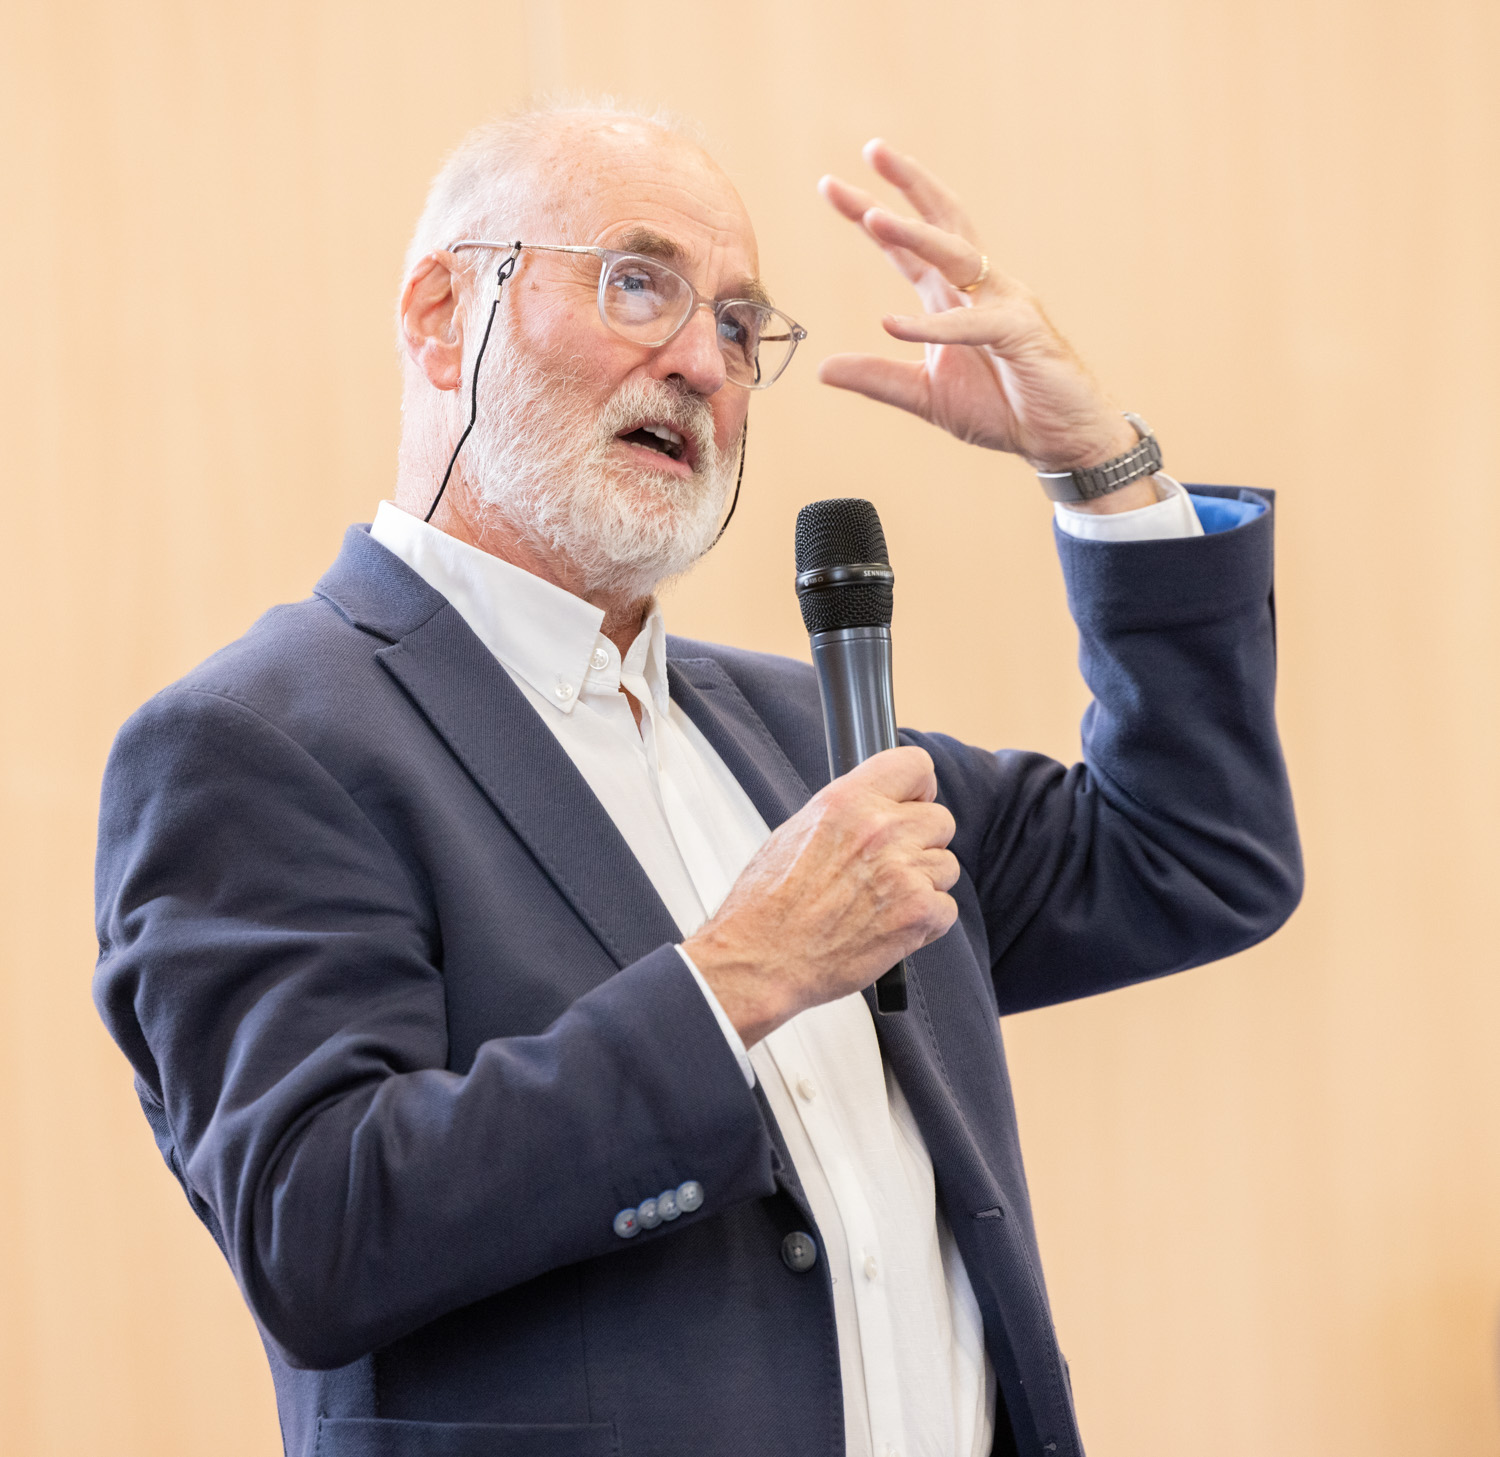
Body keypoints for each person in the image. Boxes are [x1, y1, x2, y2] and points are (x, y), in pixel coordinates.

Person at [93, 102, 1301, 1457]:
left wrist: (1101, 466)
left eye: (737, 326)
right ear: (441, 315)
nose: (700, 362)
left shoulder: (800, 735)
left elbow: (1195, 856)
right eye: (637, 282)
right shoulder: (260, 742)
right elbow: (316, 1228)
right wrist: (740, 976)